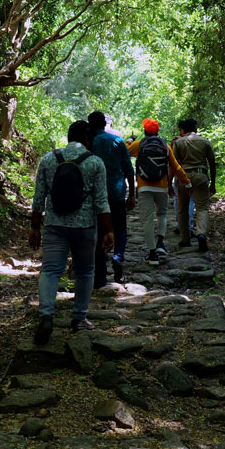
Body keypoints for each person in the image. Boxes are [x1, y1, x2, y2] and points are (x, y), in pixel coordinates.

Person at [28, 120, 113, 343]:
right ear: (87, 139)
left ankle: (46, 315)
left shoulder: (48, 159)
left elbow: (38, 198)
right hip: (85, 227)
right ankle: (79, 318)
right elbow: (101, 200)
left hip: (54, 225)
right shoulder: (95, 162)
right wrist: (108, 230)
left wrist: (34, 227)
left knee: (50, 270)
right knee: (85, 271)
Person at [127, 117, 190, 265]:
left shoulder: (139, 144)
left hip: (144, 186)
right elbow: (176, 166)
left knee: (147, 219)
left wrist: (130, 140)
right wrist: (187, 182)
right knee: (162, 214)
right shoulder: (165, 145)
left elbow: (124, 151)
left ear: (145, 131)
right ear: (158, 131)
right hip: (161, 186)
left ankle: (152, 253)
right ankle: (160, 243)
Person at [87, 111, 134, 285]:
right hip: (116, 192)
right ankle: (118, 256)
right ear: (104, 124)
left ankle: (100, 275)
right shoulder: (117, 141)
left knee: (98, 231)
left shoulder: (88, 142)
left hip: (95, 194)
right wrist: (132, 194)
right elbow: (128, 168)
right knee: (120, 228)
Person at [173, 118, 217, 252]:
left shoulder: (178, 142)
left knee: (182, 208)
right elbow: (212, 163)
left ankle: (185, 239)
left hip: (183, 177)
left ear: (183, 129)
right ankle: (201, 233)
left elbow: (174, 164)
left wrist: (169, 183)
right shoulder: (205, 141)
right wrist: (213, 183)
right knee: (202, 207)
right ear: (195, 128)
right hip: (201, 175)